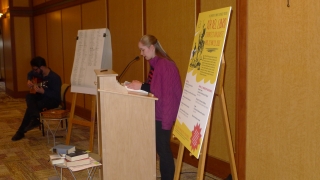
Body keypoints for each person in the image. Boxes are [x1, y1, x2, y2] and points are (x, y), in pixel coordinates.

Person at [126, 35, 182, 180]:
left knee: (163, 150)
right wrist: (140, 87)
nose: (141, 54)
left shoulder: (166, 65)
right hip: (157, 112)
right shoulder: (156, 64)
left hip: (163, 115)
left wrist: (166, 123)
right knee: (160, 148)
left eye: (142, 50)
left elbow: (168, 96)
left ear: (152, 48)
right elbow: (154, 87)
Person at [11, 56, 61, 141]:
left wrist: (44, 92)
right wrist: (29, 80)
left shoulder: (55, 78)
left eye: (36, 69)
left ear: (41, 67)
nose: (35, 71)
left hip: (52, 100)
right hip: (42, 96)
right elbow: (29, 74)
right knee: (29, 96)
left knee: (32, 108)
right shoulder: (38, 73)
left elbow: (56, 95)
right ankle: (35, 118)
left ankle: (21, 131)